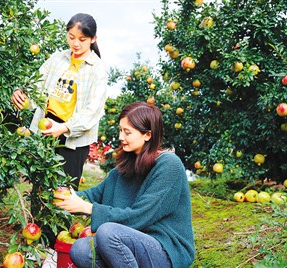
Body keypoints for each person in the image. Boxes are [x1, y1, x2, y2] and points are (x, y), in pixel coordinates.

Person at [54, 102, 196, 268]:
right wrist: (63, 195)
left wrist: (88, 208)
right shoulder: (123, 170)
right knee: (81, 249)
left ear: (147, 135)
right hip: (129, 243)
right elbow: (93, 195)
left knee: (108, 233)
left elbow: (140, 216)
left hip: (165, 249)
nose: (121, 137)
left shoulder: (168, 165)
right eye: (120, 130)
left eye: (127, 132)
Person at [11, 13, 108, 190]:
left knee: (63, 192)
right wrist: (20, 92)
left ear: (93, 39)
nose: (75, 44)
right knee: (40, 188)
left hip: (73, 138)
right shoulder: (57, 59)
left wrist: (63, 128)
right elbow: (36, 85)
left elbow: (92, 111)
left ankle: (58, 219)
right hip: (46, 127)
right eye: (71, 37)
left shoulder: (98, 69)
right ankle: (36, 219)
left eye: (82, 39)